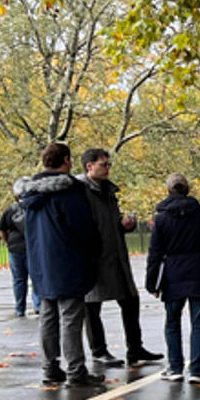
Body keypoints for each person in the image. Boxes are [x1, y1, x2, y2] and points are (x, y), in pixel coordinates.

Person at [14, 143, 103, 387]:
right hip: (68, 259)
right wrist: (94, 251)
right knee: (71, 317)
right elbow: (82, 226)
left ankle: (50, 367)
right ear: (66, 160)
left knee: (48, 316)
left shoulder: (29, 194)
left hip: (41, 261)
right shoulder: (69, 190)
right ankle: (76, 370)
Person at [78, 148, 161, 370]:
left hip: (116, 255)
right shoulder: (81, 192)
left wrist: (124, 226)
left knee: (130, 300)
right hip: (94, 257)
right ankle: (98, 351)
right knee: (91, 305)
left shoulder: (109, 192)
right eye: (104, 164)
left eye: (108, 164)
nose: (108, 168)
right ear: (89, 166)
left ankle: (135, 347)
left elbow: (110, 225)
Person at [145, 173, 200, 383]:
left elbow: (154, 253)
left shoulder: (161, 219)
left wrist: (152, 282)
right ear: (187, 189)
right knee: (199, 322)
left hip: (173, 273)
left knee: (172, 321)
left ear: (168, 190)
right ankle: (197, 369)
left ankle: (175, 367)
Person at [0, 192, 39, 318]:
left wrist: (8, 243)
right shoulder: (36, 209)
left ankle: (20, 308)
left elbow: (2, 230)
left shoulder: (10, 210)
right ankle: (38, 305)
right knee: (36, 278)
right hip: (32, 248)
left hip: (15, 248)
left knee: (19, 280)